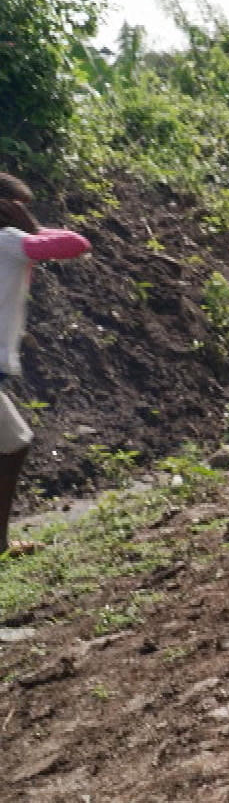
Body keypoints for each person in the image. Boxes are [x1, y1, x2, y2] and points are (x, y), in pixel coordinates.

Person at [0, 174, 93, 557]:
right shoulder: (8, 241)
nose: (26, 212)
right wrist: (33, 228)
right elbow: (76, 244)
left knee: (15, 442)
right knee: (15, 443)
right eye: (20, 204)